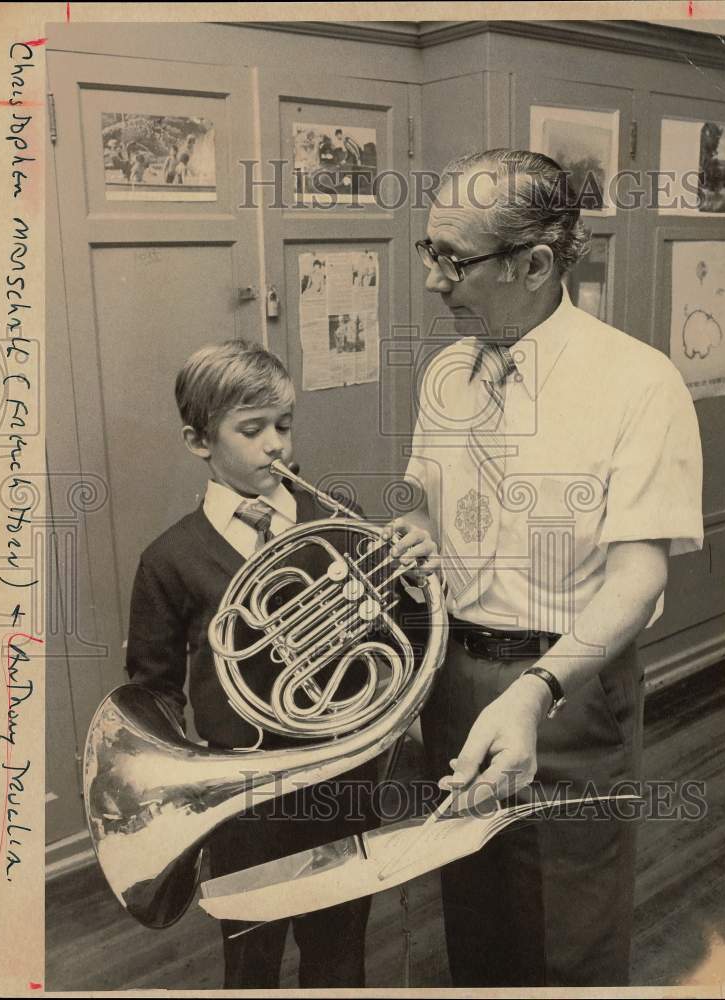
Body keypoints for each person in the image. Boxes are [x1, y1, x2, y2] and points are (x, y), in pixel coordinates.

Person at [404, 149, 704, 987]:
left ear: (534, 264)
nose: (433, 279)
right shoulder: (444, 373)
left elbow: (638, 579)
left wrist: (535, 693)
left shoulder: (639, 382)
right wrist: (419, 535)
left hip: (568, 690)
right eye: (428, 251)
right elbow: (429, 509)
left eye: (451, 260)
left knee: (569, 928)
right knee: (474, 907)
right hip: (453, 677)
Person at [125, 339, 437, 988]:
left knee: (340, 954)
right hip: (246, 806)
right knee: (251, 962)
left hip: (339, 785)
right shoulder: (170, 558)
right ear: (198, 441)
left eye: (285, 425)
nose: (276, 445)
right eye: (252, 429)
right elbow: (151, 697)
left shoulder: (336, 524)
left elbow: (396, 645)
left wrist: (411, 589)